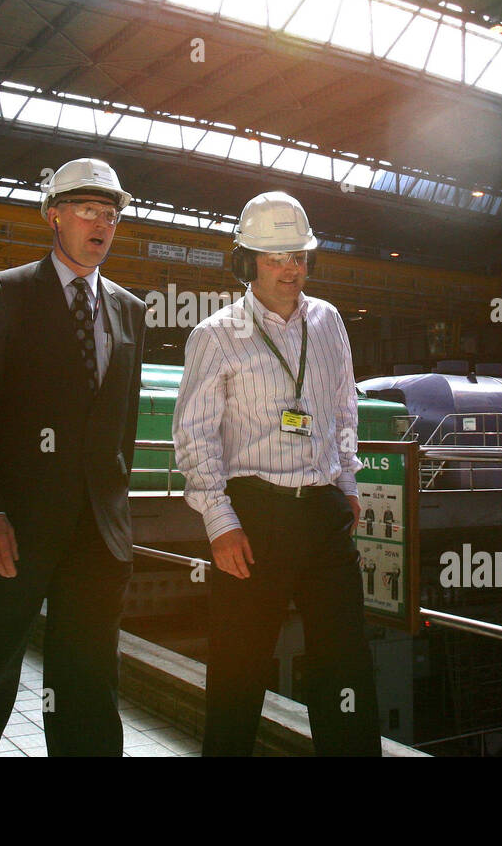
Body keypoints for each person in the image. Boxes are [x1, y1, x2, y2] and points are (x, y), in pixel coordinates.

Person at [0, 157, 146, 757]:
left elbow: (121, 426)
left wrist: (117, 514)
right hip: (15, 526)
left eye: (110, 214)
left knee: (88, 677)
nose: (101, 223)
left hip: (97, 533)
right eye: (87, 210)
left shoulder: (128, 309)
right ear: (54, 216)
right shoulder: (6, 293)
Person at [173, 190, 381, 756]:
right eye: (274, 257)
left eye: (298, 256)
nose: (290, 270)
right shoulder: (214, 336)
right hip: (253, 516)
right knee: (239, 665)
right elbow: (194, 436)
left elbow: (343, 407)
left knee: (346, 662)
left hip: (323, 511)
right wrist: (220, 523)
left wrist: (347, 485)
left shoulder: (328, 321)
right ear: (248, 261)